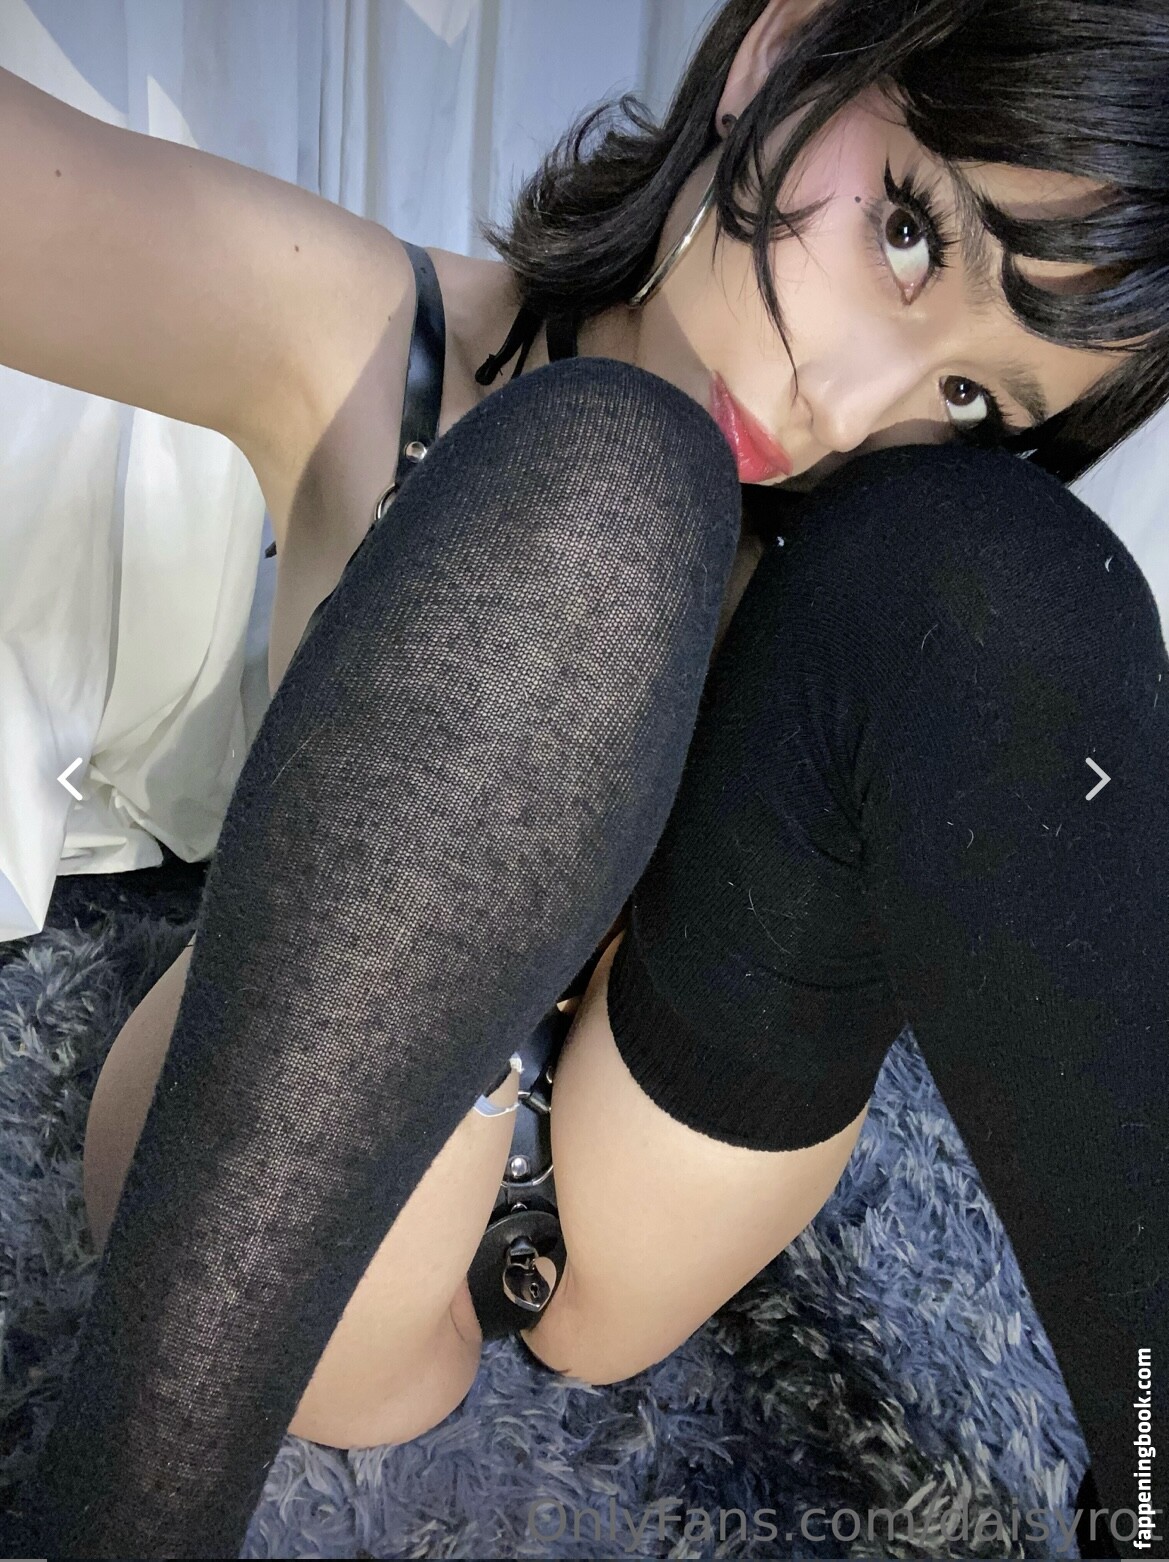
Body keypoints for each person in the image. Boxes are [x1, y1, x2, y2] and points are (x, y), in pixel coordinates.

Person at [0, 0, 1165, 1555]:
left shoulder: (883, 586)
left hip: (648, 1207)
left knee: (1012, 568)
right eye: (905, 232)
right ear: (779, 47)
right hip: (292, 1201)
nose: (847, 404)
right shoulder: (374, 336)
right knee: (607, 483)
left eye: (969, 400)